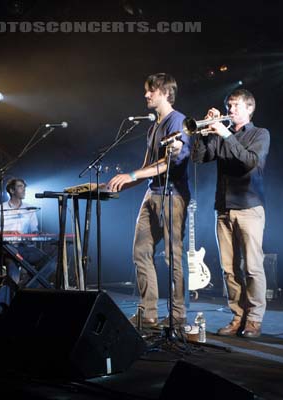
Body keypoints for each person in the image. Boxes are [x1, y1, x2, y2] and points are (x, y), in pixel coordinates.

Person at [108, 73, 191, 329]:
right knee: (140, 252)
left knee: (173, 258)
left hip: (173, 195)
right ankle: (149, 313)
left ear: (166, 92)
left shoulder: (179, 122)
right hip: (151, 193)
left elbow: (167, 164)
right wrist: (115, 183)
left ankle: (178, 316)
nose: (146, 95)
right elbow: (147, 166)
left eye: (151, 90)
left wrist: (132, 175)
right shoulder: (154, 126)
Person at [193, 89, 270, 338]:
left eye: (236, 105)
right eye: (229, 105)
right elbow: (199, 157)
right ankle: (238, 316)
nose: (230, 109)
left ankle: (254, 320)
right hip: (223, 208)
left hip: (249, 207)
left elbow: (248, 161)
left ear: (249, 108)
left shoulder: (260, 134)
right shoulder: (221, 134)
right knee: (228, 269)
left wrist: (224, 133)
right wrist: (204, 132)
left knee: (252, 267)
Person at [0, 178, 41, 283]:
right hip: (6, 249)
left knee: (49, 261)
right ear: (12, 191)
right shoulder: (0, 208)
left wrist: (35, 234)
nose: (24, 189)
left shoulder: (30, 208)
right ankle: (12, 294)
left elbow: (34, 231)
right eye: (20, 186)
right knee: (12, 260)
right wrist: (10, 233)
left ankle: (30, 287)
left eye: (24, 186)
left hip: (25, 248)